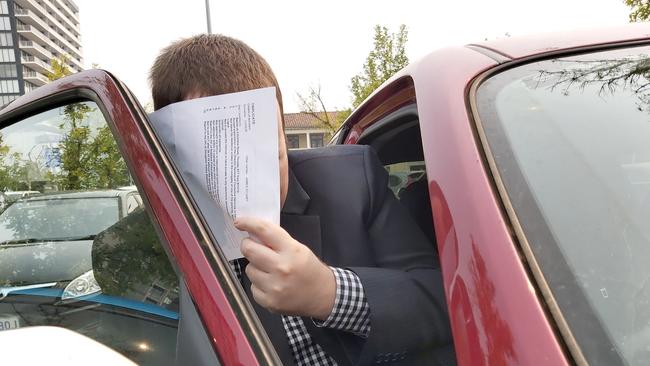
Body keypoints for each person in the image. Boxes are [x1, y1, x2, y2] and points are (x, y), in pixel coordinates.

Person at [149, 34, 453, 365]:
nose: (244, 182)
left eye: (267, 156)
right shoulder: (162, 246)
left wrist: (329, 293)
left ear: (283, 136)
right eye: (216, 166)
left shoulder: (351, 181)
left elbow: (444, 300)